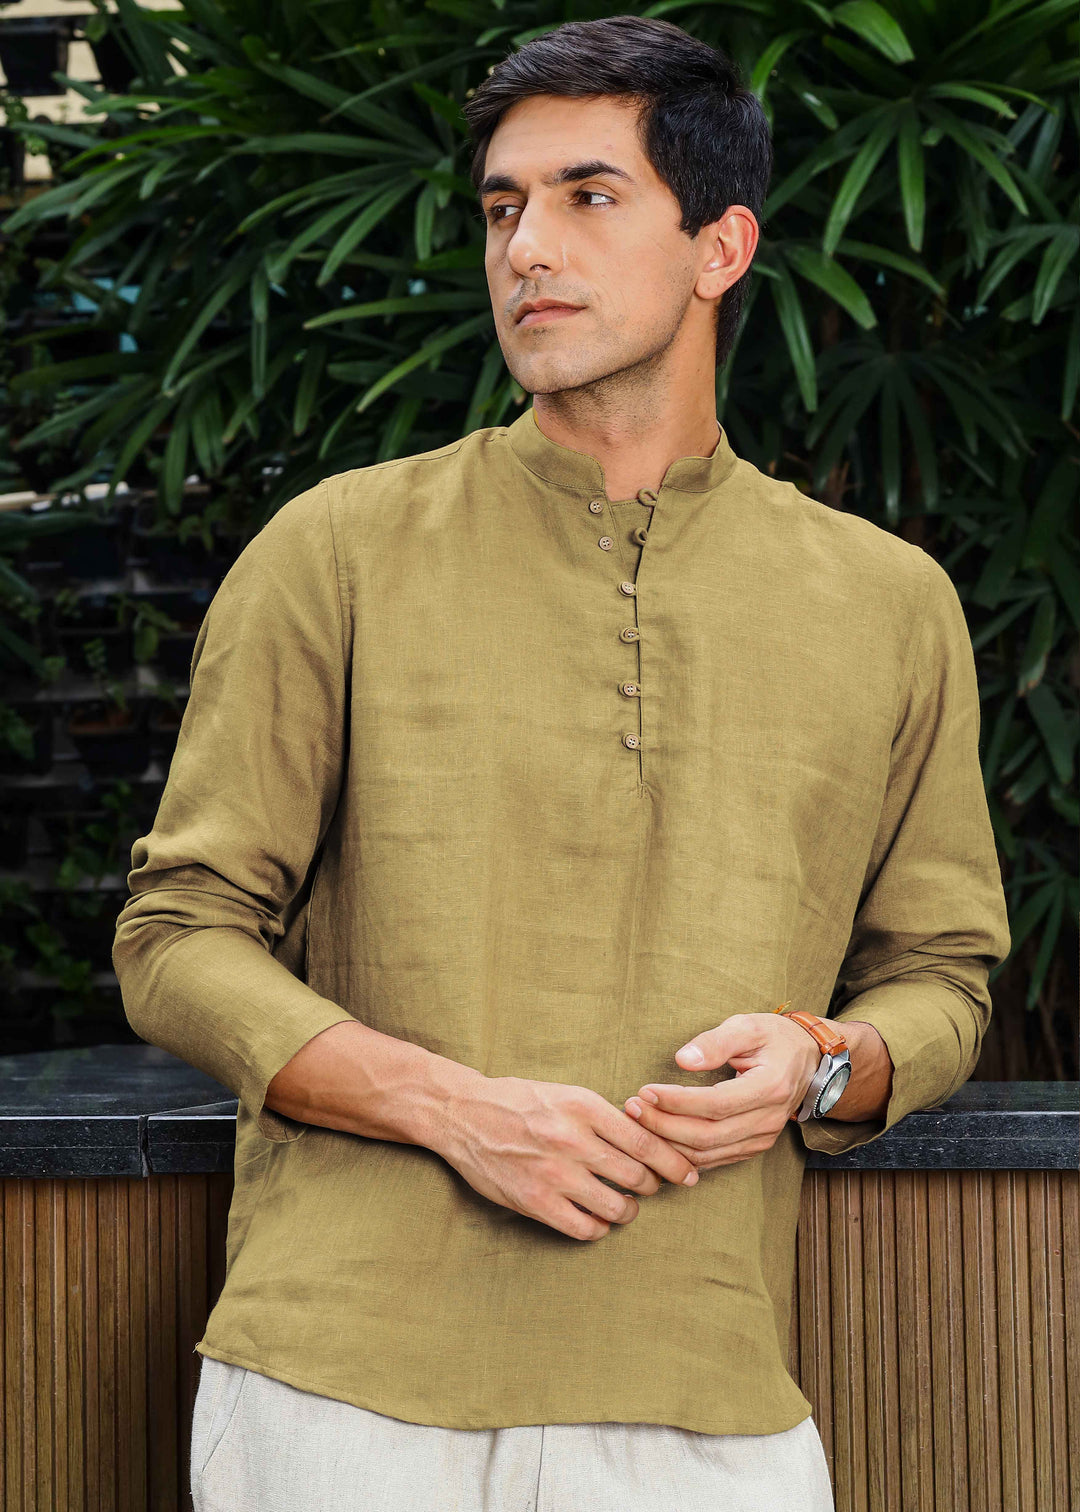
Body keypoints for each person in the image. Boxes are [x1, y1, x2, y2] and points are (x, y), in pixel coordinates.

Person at [112, 14, 1011, 1512]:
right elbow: (177, 936)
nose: (527, 247)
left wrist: (825, 1062)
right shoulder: (338, 550)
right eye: (502, 208)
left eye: (587, 198)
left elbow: (946, 975)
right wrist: (456, 1108)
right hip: (338, 1388)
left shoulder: (887, 602)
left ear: (721, 247)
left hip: (706, 1391)